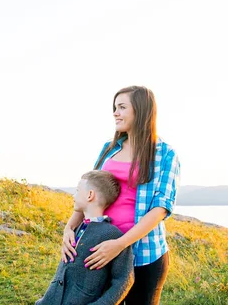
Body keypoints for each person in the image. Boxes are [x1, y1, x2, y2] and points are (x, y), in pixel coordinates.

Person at [61, 86, 180, 305]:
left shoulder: (165, 153)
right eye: (115, 108)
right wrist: (70, 228)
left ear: (142, 110)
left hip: (143, 254)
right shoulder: (109, 148)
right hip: (98, 248)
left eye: (122, 107)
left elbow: (160, 209)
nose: (115, 113)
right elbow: (90, 189)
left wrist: (120, 244)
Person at [37, 171, 134, 305]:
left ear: (90, 195)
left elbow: (124, 280)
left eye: (77, 190)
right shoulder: (76, 228)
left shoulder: (112, 235)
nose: (74, 195)